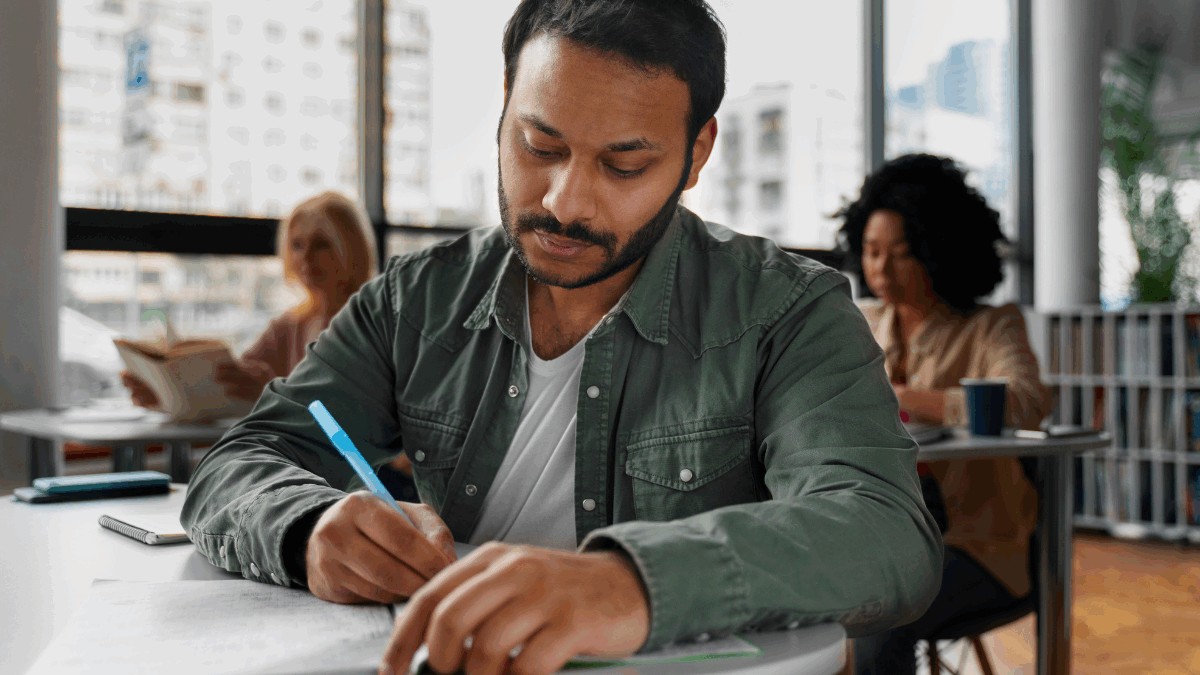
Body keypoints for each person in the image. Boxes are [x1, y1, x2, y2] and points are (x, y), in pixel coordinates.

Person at [181, 3, 943, 675]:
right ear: (505, 105)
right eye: (539, 147)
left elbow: (884, 529)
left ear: (697, 153)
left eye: (625, 164)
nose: (564, 200)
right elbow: (244, 460)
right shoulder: (415, 299)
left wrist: (627, 583)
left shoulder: (788, 310)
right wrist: (309, 525)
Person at [836, 153, 1051, 675]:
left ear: (940, 250)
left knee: (881, 615)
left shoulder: (991, 326)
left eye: (902, 254)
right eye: (870, 252)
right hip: (877, 534)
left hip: (978, 547)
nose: (880, 270)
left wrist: (898, 394)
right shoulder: (855, 322)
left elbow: (1023, 401)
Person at [120, 192, 417, 498]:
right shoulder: (289, 326)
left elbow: (378, 421)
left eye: (322, 244)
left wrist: (270, 393)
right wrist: (165, 393)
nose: (306, 258)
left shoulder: (383, 321)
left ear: (351, 249)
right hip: (313, 470)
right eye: (297, 245)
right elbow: (231, 387)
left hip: (375, 474)